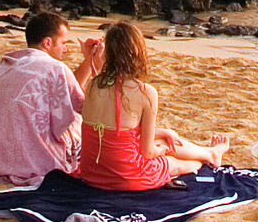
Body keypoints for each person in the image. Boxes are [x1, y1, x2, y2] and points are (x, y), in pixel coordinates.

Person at [75, 22, 228, 190]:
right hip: (125, 176)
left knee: (165, 138)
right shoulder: (145, 92)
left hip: (92, 173)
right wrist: (163, 149)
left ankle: (211, 153)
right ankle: (209, 157)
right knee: (176, 162)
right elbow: (148, 152)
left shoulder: (94, 85)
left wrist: (162, 134)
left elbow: (116, 131)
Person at [0, 11, 105, 185]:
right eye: (63, 43)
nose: (66, 49)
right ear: (47, 42)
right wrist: (97, 68)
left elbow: (67, 91)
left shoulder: (9, 62)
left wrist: (88, 61)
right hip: (31, 161)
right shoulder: (55, 68)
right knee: (78, 123)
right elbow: (87, 109)